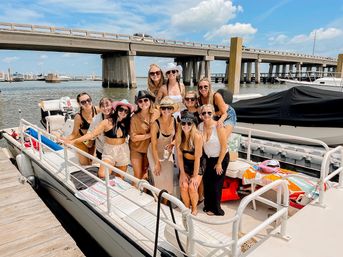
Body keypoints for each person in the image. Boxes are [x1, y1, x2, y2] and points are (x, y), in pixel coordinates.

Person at [64, 99, 134, 178]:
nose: (123, 112)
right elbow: (91, 134)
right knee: (102, 175)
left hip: (123, 151)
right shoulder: (106, 122)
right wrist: (74, 141)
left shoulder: (128, 123)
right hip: (109, 151)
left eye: (126, 111)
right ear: (117, 109)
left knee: (119, 178)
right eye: (121, 109)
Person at [198, 104, 230, 216]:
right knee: (207, 182)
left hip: (221, 157)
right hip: (208, 158)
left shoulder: (218, 127)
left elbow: (224, 146)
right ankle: (208, 205)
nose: (206, 115)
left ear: (212, 114)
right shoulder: (200, 126)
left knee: (216, 184)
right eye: (204, 113)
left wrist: (219, 163)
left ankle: (216, 209)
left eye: (209, 113)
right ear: (201, 115)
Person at [147, 97, 177, 195]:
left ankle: (165, 203)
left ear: (172, 110)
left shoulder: (175, 121)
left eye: (169, 108)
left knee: (168, 181)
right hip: (154, 153)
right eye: (163, 108)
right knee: (159, 178)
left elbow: (179, 137)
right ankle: (159, 203)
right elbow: (153, 145)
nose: (166, 110)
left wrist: (173, 143)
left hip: (167, 153)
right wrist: (157, 163)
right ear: (160, 109)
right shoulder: (155, 124)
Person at [176, 112, 204, 215]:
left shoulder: (197, 137)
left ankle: (194, 208)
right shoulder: (179, 135)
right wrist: (182, 173)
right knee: (184, 186)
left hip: (198, 164)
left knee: (192, 187)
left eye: (189, 123)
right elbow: (179, 156)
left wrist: (195, 176)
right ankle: (187, 208)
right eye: (183, 123)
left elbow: (198, 158)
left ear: (193, 125)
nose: (186, 126)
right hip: (186, 164)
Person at [130, 90, 160, 181]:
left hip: (150, 150)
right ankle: (134, 193)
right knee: (138, 175)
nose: (143, 103)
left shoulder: (157, 113)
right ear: (138, 104)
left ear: (150, 101)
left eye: (145, 100)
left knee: (145, 175)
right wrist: (151, 135)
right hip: (137, 149)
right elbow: (133, 138)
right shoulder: (134, 118)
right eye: (140, 101)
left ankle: (143, 193)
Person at [61, 92, 98, 165]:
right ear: (79, 104)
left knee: (94, 162)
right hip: (82, 142)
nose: (87, 103)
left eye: (88, 100)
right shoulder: (78, 117)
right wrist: (66, 140)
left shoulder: (97, 110)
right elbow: (74, 134)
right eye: (83, 102)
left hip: (93, 142)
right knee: (85, 164)